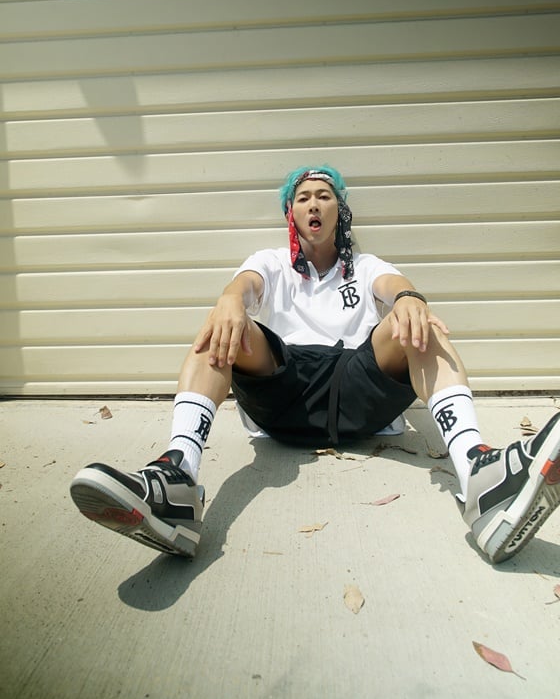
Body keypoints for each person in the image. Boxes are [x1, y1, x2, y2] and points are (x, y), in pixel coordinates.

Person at [70, 165, 560, 564]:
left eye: (323, 196)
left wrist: (409, 297)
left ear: (338, 210)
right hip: (286, 392)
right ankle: (177, 477)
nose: (313, 203)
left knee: (417, 321)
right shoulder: (269, 261)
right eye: (303, 197)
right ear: (291, 212)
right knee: (221, 327)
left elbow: (392, 285)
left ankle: (479, 475)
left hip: (355, 388)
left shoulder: (364, 265)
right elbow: (245, 284)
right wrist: (230, 299)